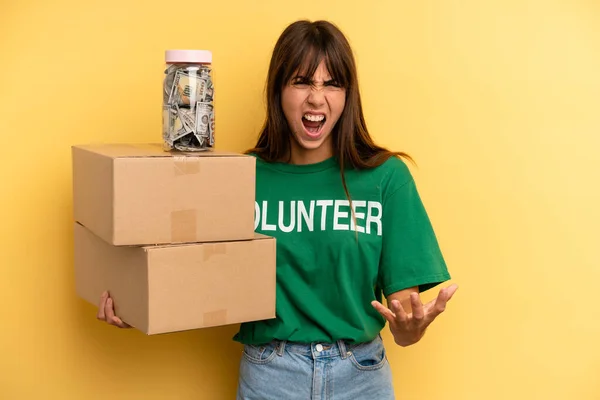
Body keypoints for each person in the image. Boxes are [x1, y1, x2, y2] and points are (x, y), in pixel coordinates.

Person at [96, 19, 458, 400]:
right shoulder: (239, 177)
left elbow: (403, 321)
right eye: (302, 81)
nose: (316, 98)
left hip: (361, 377)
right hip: (271, 377)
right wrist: (135, 301)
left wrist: (410, 327)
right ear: (278, 90)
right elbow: (188, 271)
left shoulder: (386, 178)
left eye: (332, 83)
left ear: (347, 95)